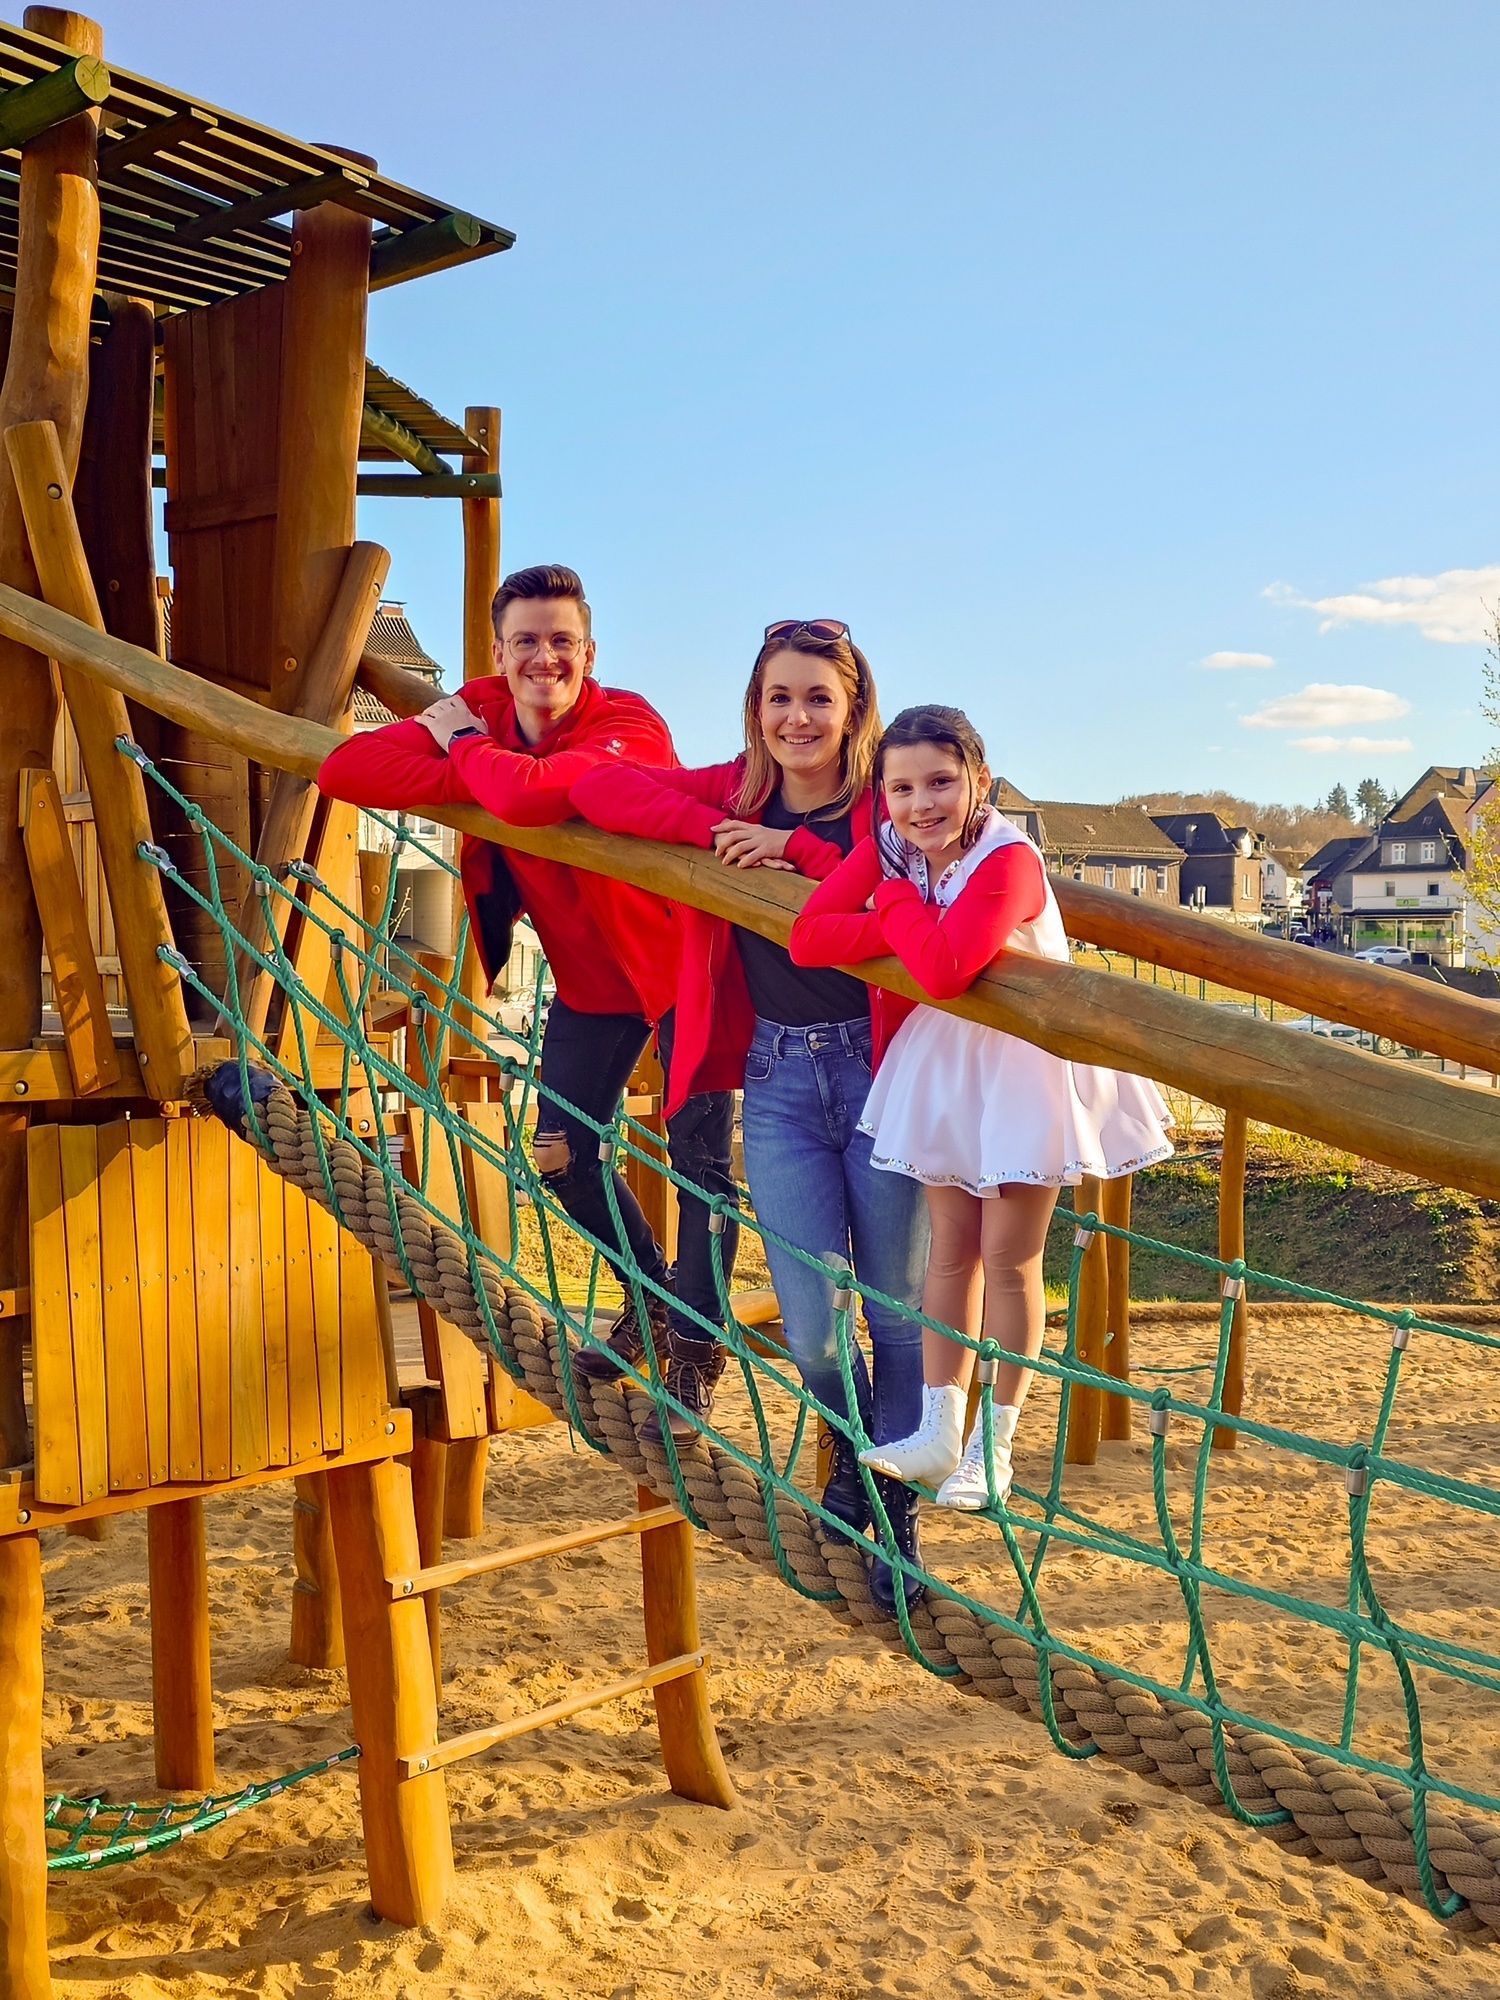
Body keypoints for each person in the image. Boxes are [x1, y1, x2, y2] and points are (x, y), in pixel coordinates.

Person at [317, 564, 739, 1420]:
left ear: (590, 651)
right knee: (559, 1154)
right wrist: (493, 772)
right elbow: (351, 770)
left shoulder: (628, 722)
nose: (545, 658)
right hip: (590, 987)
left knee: (701, 1168)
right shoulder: (489, 706)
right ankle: (650, 1298)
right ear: (501, 653)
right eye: (526, 642)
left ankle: (697, 1350)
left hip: (684, 971)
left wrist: (465, 754)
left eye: (561, 641)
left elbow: (542, 792)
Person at [570, 620, 931, 1614]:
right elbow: (600, 790)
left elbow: (895, 872)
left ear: (853, 707)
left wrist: (792, 848)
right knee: (815, 1330)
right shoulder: (733, 789)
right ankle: (864, 1459)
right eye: (779, 697)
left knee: (896, 1311)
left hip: (883, 1068)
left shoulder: (881, 801)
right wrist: (721, 832)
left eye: (818, 697)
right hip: (775, 1074)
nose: (798, 717)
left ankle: (886, 1503)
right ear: (755, 707)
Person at [789, 704, 1173, 1510]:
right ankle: (938, 1428)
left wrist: (891, 911)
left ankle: (994, 1449)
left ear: (979, 782)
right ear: (882, 795)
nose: (921, 803)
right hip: (955, 1061)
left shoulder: (1010, 861)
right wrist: (901, 917)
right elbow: (810, 937)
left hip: (1025, 1064)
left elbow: (945, 967)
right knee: (949, 1252)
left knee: (1010, 1256)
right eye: (901, 788)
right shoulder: (893, 845)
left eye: (940, 781)